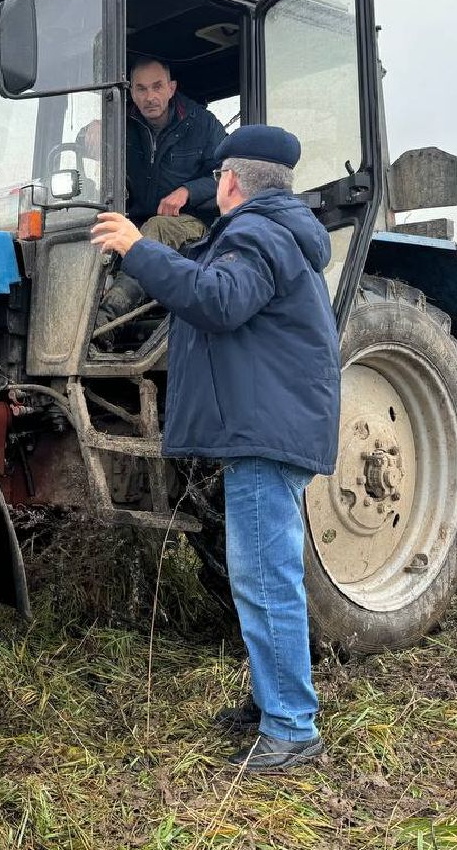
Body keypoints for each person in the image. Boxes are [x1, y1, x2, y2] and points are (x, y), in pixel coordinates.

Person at [89, 124, 339, 772]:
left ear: (230, 181)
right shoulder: (270, 232)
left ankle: (293, 726)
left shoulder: (258, 233)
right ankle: (271, 704)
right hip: (263, 424)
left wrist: (139, 249)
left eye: (221, 177)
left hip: (264, 430)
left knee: (264, 577)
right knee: (259, 574)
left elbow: (218, 301)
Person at [84, 57, 226, 330]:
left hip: (193, 222)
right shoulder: (122, 123)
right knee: (96, 228)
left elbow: (228, 175)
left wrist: (188, 191)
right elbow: (84, 141)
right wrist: (92, 128)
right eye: (141, 89)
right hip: (137, 218)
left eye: (157, 87)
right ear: (131, 93)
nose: (150, 97)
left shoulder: (203, 125)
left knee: (156, 228)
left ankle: (107, 320)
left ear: (171, 88)